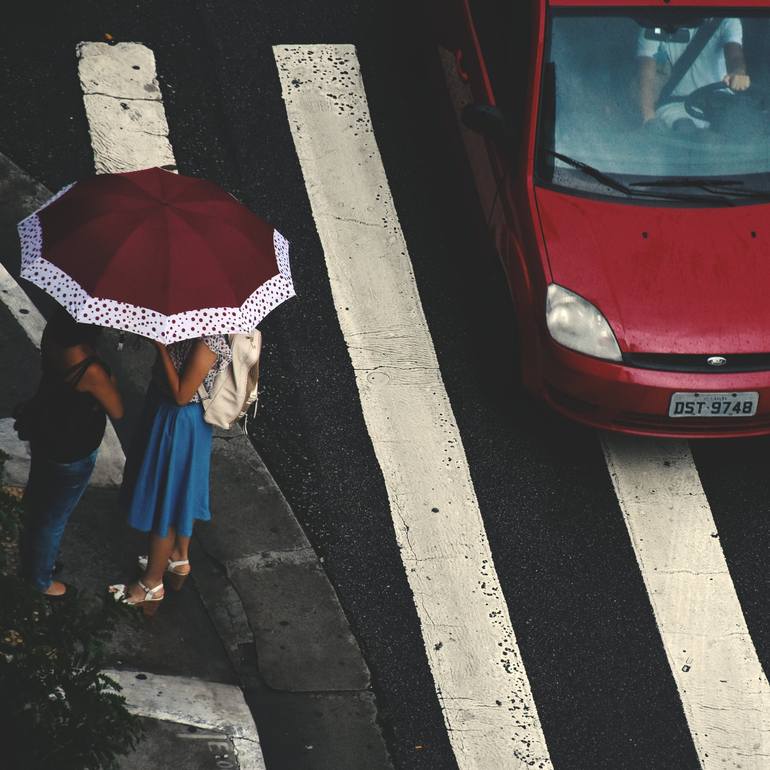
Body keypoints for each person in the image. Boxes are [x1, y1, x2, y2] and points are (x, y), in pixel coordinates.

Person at [108, 335, 231, 615]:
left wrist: (160, 347)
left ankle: (151, 584)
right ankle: (178, 557)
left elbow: (181, 394)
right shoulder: (189, 327)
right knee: (178, 494)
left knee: (165, 502)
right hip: (179, 420)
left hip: (179, 423)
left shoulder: (207, 342)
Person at [19, 307, 124, 597]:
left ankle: (30, 555)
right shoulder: (91, 368)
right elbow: (117, 408)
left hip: (46, 432)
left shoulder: (53, 334)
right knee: (54, 517)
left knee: (39, 497)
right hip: (73, 449)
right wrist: (107, 372)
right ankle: (40, 579)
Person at [638, 18, 750, 130]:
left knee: (740, 127)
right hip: (676, 104)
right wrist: (648, 117)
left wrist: (738, 72)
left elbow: (735, 56)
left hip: (720, 102)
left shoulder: (727, 19)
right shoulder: (654, 21)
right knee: (684, 128)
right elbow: (647, 73)